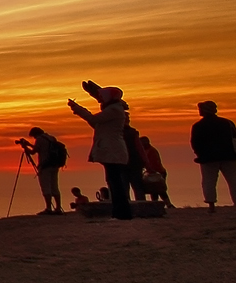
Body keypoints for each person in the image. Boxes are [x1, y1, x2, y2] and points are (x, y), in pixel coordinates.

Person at [68, 81, 133, 220]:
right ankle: (119, 213)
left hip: (112, 150)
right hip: (111, 150)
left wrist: (79, 109)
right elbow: (95, 123)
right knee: (113, 182)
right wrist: (79, 109)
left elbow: (93, 119)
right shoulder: (114, 109)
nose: (101, 99)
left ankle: (122, 213)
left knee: (115, 183)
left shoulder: (113, 110)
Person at [190, 101, 236, 210]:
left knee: (209, 181)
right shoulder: (227, 123)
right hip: (229, 156)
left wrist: (199, 154)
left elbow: (195, 143)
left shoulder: (198, 126)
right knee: (234, 181)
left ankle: (211, 205)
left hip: (208, 158)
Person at [22, 127, 67, 213]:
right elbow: (41, 149)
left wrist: (25, 147)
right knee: (54, 186)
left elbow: (33, 152)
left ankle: (48, 208)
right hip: (54, 165)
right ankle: (58, 208)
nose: (34, 138)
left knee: (46, 187)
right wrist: (29, 145)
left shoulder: (39, 139)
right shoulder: (51, 138)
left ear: (35, 134)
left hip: (45, 166)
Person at [136, 135, 172, 207]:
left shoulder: (151, 151)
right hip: (154, 172)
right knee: (155, 190)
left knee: (159, 190)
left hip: (158, 172)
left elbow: (154, 163)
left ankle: (166, 204)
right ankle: (160, 204)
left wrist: (150, 170)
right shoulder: (147, 151)